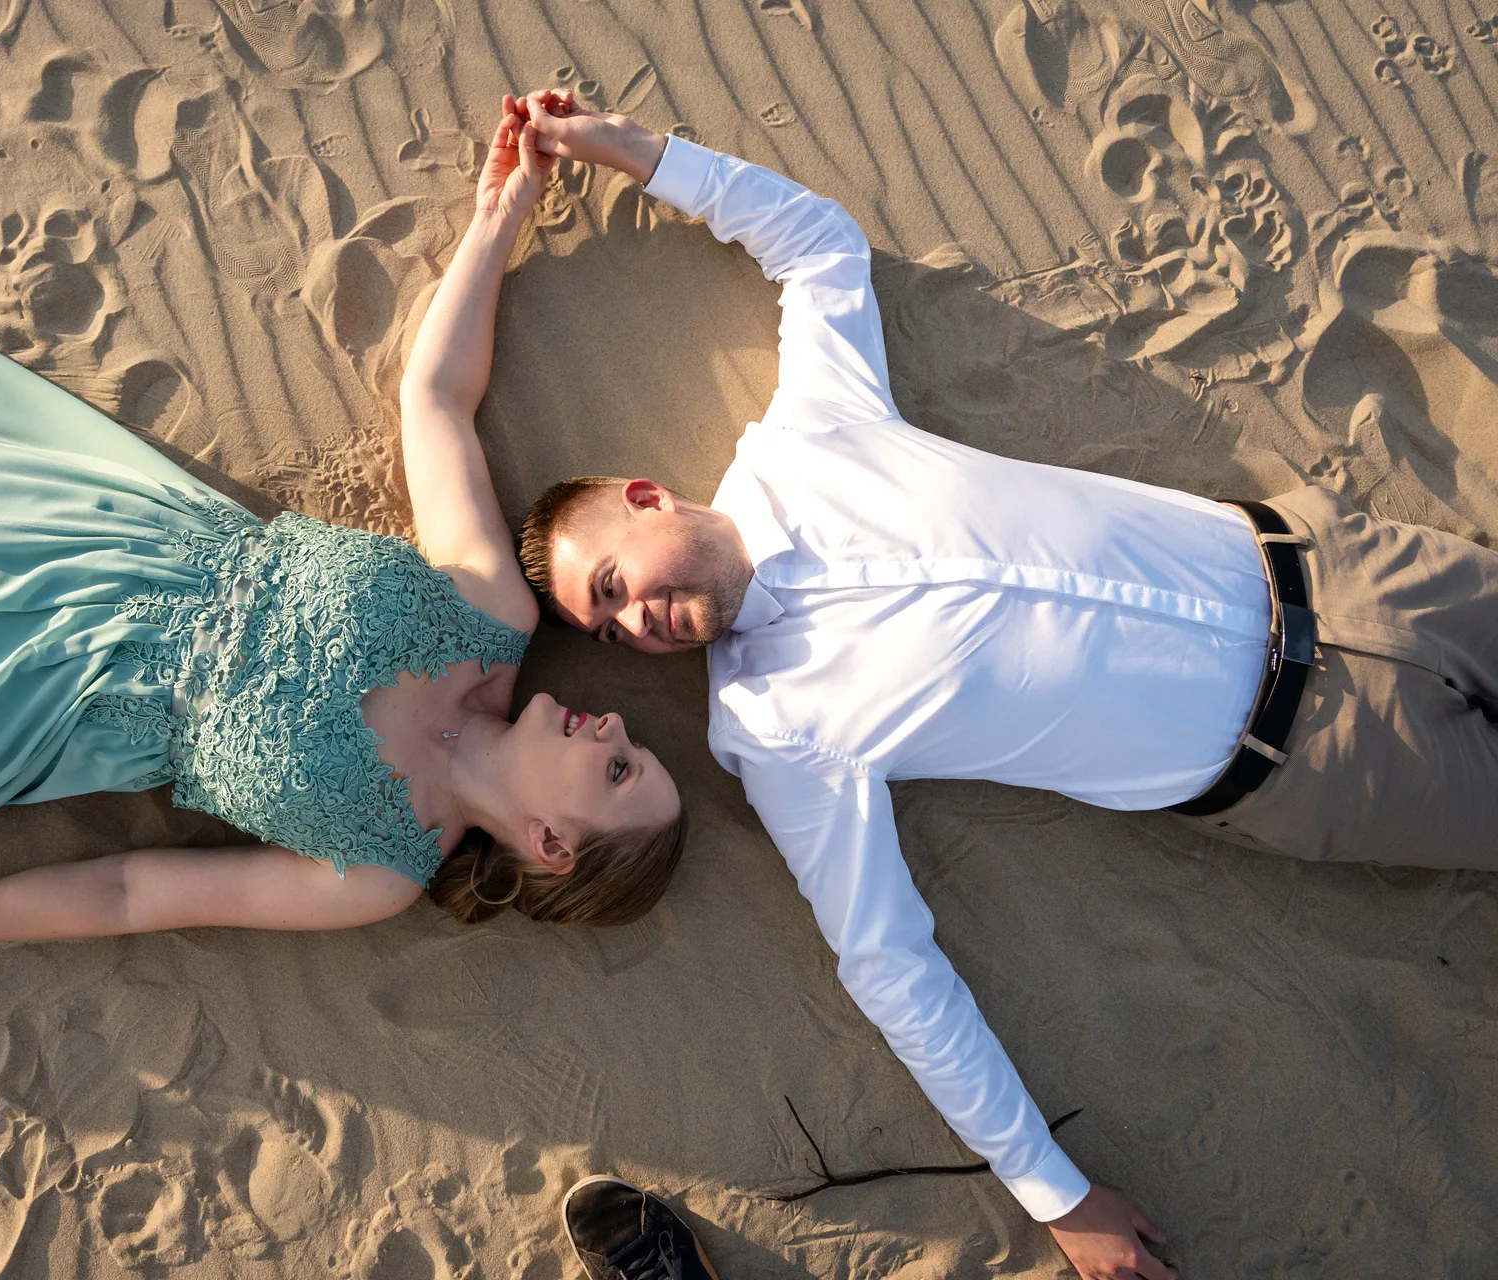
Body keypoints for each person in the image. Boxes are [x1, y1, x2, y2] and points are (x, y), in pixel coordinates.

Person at [509, 91, 1498, 1280]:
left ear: (647, 494)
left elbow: (815, 241)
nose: (634, 621)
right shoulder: (775, 730)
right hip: (1322, 762)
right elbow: (891, 964)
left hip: (1347, 568)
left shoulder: (809, 434)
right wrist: (1054, 1190)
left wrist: (632, 152)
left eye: (613, 580)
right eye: (608, 628)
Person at [0, 102, 684, 952]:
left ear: (549, 845)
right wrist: (503, 210)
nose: (607, 728)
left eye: (620, 771)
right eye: (631, 744)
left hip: (12, 702)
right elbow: (435, 401)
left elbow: (133, 889)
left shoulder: (385, 871)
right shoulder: (488, 612)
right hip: (61, 534)